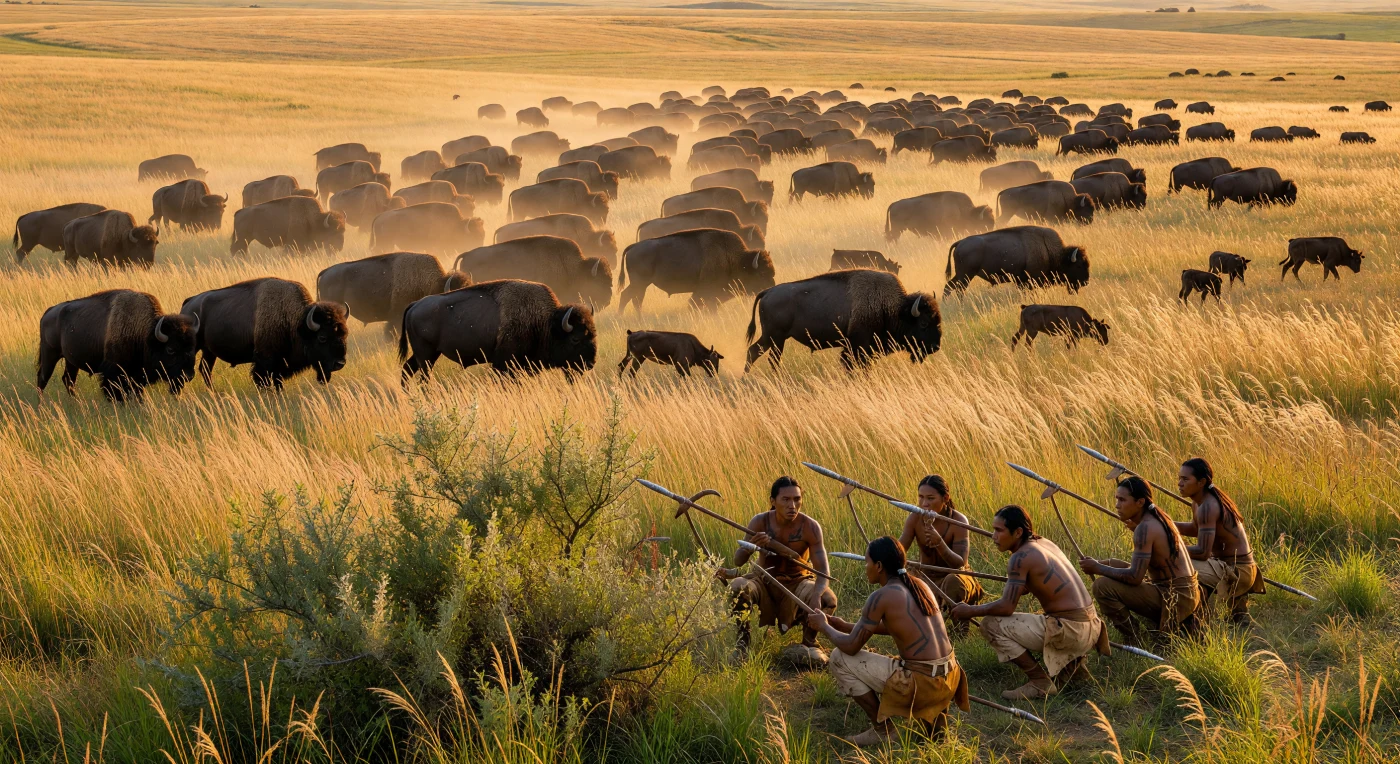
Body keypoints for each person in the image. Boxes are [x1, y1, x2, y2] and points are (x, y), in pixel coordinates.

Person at [806, 536, 968, 747]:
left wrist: (823, 626)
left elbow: (851, 647)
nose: (866, 568)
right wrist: (846, 625)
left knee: (839, 658)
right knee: (923, 666)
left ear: (879, 566)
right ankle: (935, 726)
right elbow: (905, 627)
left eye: (867, 563)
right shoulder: (919, 585)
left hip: (922, 684)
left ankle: (883, 730)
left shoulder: (881, 596)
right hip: (950, 678)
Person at [951, 505, 1109, 700]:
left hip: (1071, 631)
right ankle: (1072, 671)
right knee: (1046, 618)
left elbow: (1006, 607)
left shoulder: (1020, 558)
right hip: (1091, 627)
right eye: (993, 530)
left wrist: (970, 611)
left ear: (1018, 532)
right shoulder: (1044, 543)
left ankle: (1039, 681)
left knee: (990, 624)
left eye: (999, 530)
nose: (994, 536)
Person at [716, 476, 837, 662]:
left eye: (797, 499)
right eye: (786, 499)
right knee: (738, 586)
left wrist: (815, 597)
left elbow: (823, 572)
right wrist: (750, 546)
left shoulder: (810, 527)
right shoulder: (760, 522)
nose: (793, 505)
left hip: (798, 581)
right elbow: (738, 560)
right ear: (773, 501)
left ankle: (807, 644)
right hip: (763, 580)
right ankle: (743, 644)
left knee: (827, 599)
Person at [1080, 476, 1200, 647]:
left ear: (1140, 502)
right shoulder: (1158, 518)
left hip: (1175, 598)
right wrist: (1103, 564)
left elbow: (1135, 577)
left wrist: (1098, 568)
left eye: (1122, 500)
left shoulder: (1145, 528)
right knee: (1113, 564)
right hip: (1186, 595)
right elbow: (1139, 570)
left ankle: (1137, 640)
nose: (1117, 506)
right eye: (1117, 499)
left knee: (1101, 586)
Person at [1175, 458, 1263, 626]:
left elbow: (1202, 552)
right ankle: (1232, 613)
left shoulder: (1208, 506)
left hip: (1238, 571)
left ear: (1201, 482)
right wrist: (1165, 525)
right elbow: (1196, 529)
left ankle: (1197, 620)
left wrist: (1172, 548)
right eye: (1179, 478)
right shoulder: (1198, 501)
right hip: (1227, 565)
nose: (1180, 483)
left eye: (1185, 479)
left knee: (1177, 563)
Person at [898, 475, 984, 611]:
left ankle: (960, 627)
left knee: (953, 582)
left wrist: (939, 542)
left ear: (945, 498)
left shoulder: (959, 521)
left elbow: (959, 563)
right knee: (899, 580)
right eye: (921, 497)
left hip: (954, 578)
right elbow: (899, 550)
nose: (924, 503)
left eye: (930, 498)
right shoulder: (914, 518)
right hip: (925, 576)